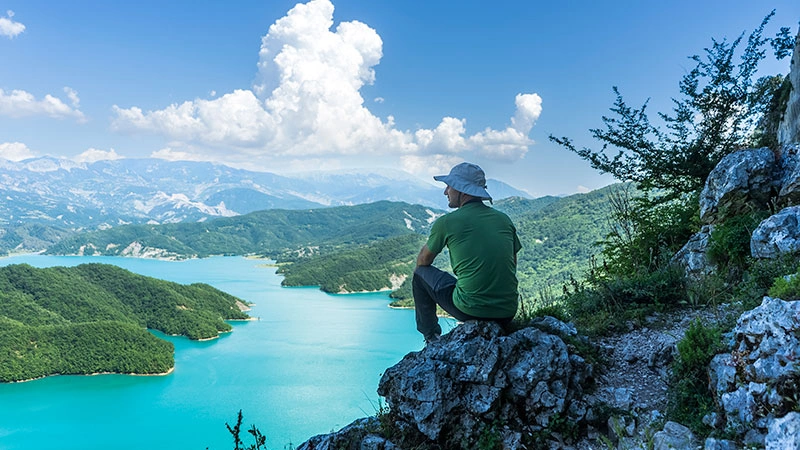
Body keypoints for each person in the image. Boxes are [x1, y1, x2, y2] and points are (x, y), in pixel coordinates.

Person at [414, 162, 522, 344]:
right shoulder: (504, 220)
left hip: (470, 309)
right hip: (507, 312)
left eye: (449, 186)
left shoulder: (447, 222)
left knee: (420, 275)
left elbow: (423, 262)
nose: (445, 192)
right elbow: (512, 263)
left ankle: (431, 336)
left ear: (462, 190)